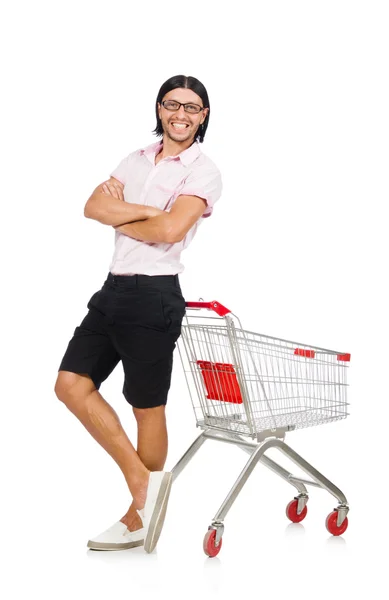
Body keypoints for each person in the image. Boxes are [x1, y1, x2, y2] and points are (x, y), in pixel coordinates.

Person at [54, 74, 222, 553]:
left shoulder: (203, 171)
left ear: (203, 115)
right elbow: (91, 206)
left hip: (155, 296)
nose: (181, 114)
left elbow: (170, 230)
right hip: (111, 291)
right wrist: (141, 211)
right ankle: (143, 483)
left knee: (145, 407)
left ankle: (136, 517)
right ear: (160, 108)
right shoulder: (135, 158)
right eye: (173, 105)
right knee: (70, 384)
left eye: (192, 107)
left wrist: (122, 206)